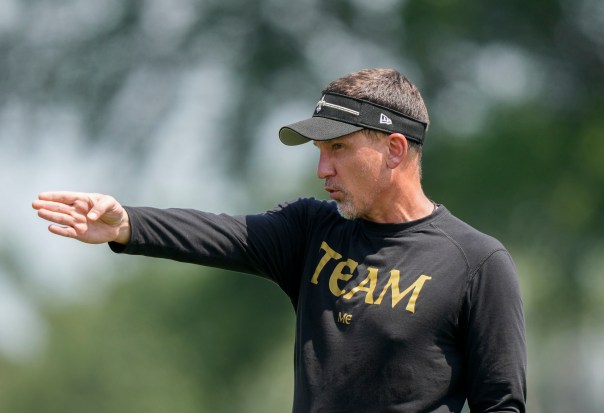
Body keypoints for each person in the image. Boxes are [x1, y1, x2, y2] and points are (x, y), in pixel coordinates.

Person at [32, 68, 526, 413]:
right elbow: (221, 234)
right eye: (318, 151)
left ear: (394, 149)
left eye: (338, 149)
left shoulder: (478, 263)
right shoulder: (311, 231)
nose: (321, 169)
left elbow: (501, 405)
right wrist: (126, 224)